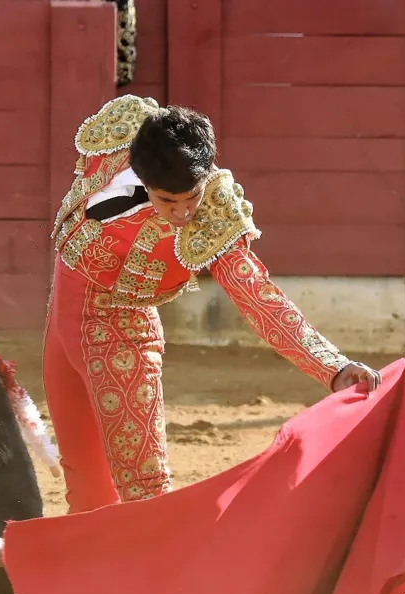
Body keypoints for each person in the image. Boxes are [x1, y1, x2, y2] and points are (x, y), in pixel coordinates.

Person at [43, 94, 382, 515]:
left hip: (119, 332)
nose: (184, 213)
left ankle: (167, 580)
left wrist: (332, 367)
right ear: (144, 177)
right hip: (63, 313)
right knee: (87, 489)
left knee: (145, 492)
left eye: (193, 196)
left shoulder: (215, 218)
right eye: (169, 201)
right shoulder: (123, 129)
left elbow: (257, 296)